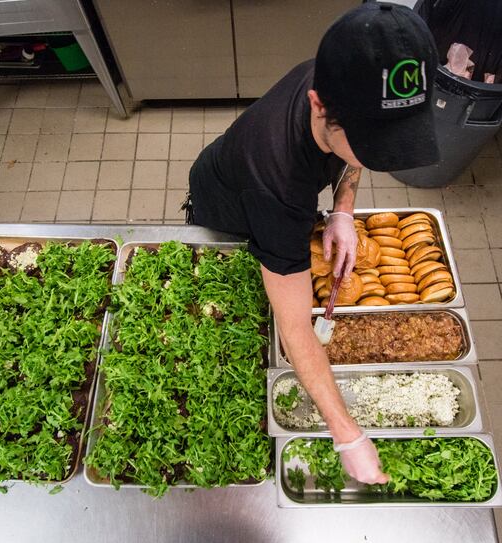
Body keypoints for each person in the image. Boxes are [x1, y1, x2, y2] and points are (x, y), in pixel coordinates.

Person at [185, 2, 440, 485]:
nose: (385, 160)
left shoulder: (348, 67)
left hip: (276, 193)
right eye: (375, 145)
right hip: (230, 208)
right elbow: (296, 330)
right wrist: (348, 436)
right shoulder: (273, 185)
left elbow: (355, 157)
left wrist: (343, 207)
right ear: (319, 105)